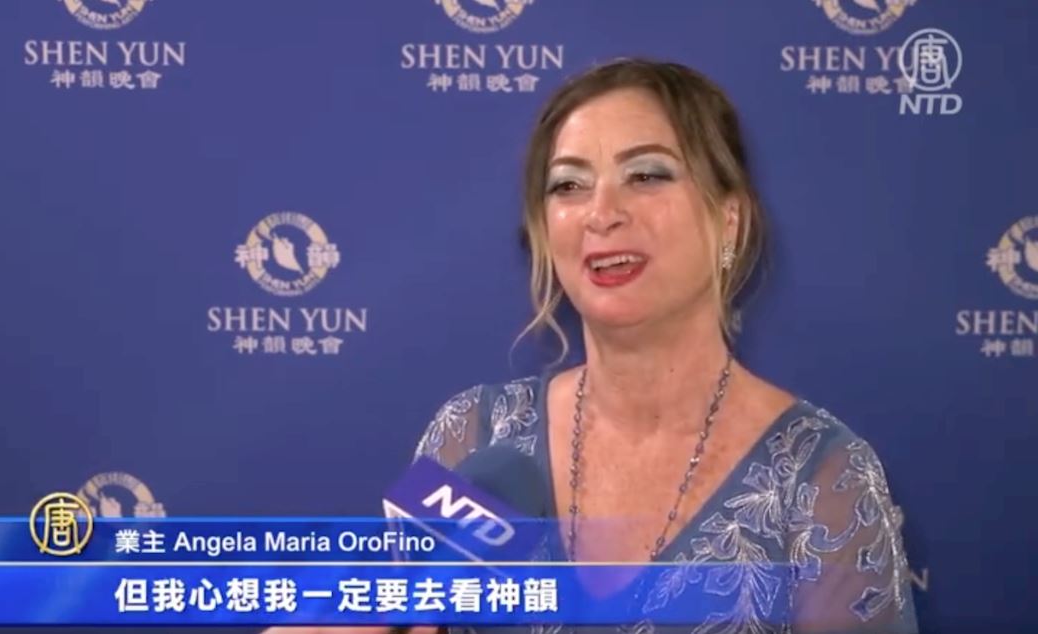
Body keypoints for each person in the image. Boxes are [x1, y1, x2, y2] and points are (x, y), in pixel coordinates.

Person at [271, 57, 919, 634]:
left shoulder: (820, 477)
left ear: (730, 219)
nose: (601, 213)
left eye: (647, 175)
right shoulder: (472, 438)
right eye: (569, 185)